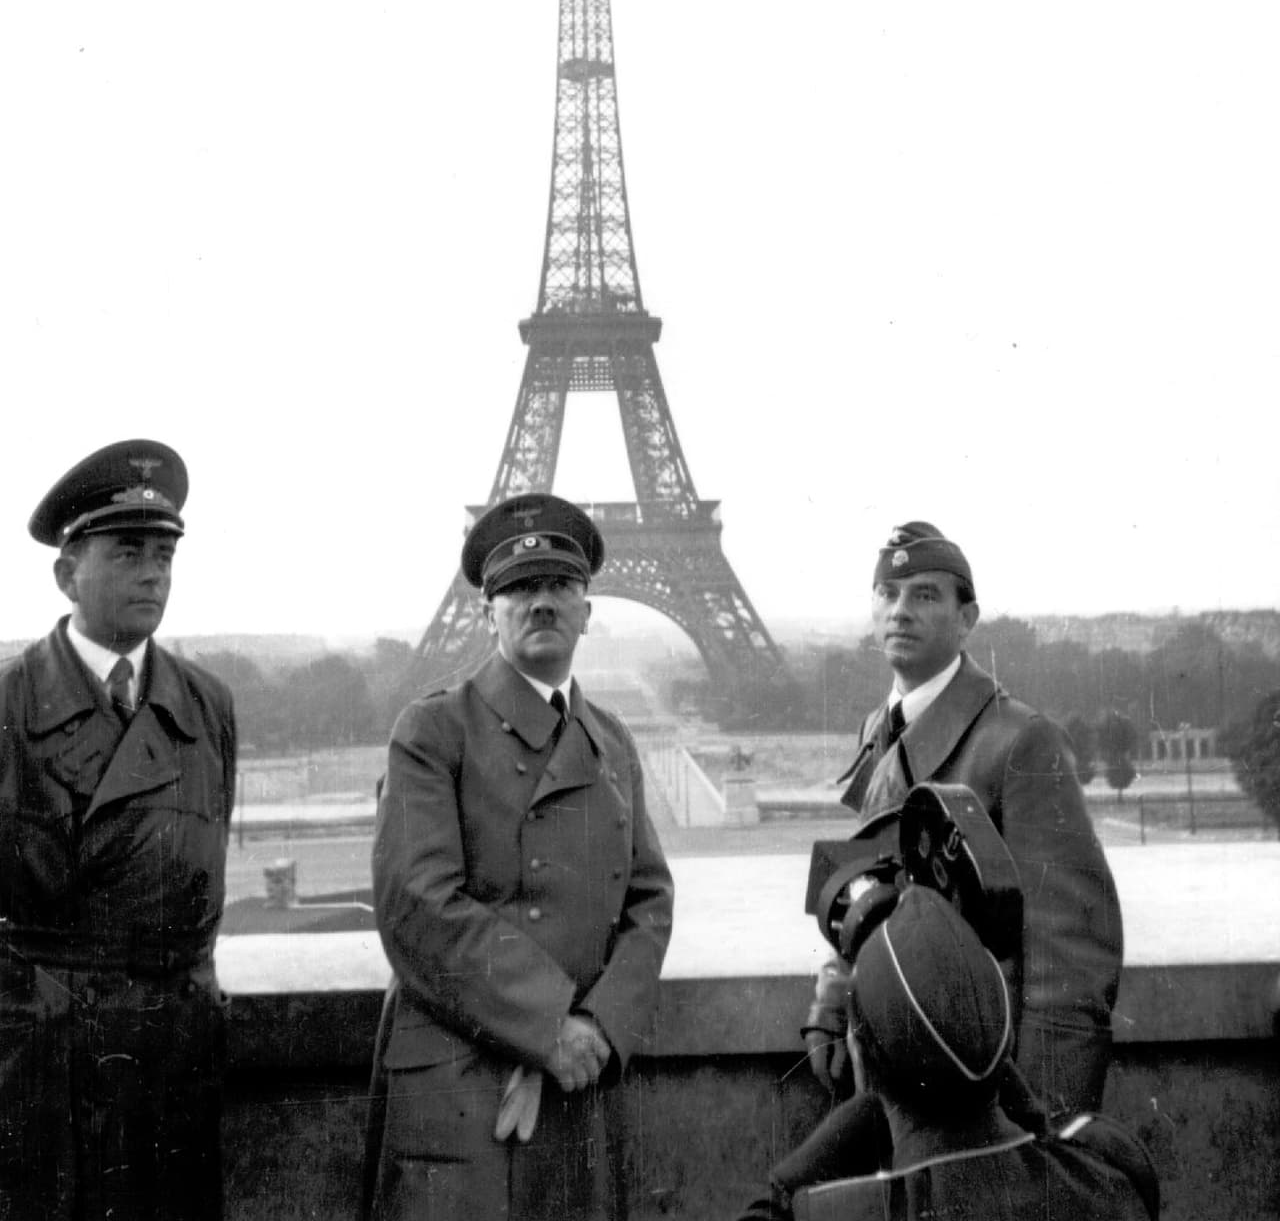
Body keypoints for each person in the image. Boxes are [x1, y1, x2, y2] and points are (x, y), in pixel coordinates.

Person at [365, 492, 675, 1221]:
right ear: (487, 610)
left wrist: (597, 1028)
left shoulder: (612, 738)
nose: (543, 603)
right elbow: (415, 903)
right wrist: (548, 1026)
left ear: (587, 610)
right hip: (466, 1077)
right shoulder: (432, 730)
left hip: (578, 1075)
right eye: (520, 588)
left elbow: (650, 899)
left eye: (561, 586)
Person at [804, 522, 1121, 1118]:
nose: (900, 611)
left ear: (968, 617)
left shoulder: (1021, 741)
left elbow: (1070, 961)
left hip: (981, 1103)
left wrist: (1044, 1126)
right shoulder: (881, 728)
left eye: (925, 595)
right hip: (892, 1074)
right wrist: (830, 1001)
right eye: (888, 594)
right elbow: (867, 890)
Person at [0, 438, 237, 1221]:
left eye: (165, 554)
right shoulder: (7, 707)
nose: (153, 573)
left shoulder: (208, 706)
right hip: (49, 1071)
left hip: (174, 1062)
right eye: (128, 551)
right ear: (67, 573)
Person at [747, 888, 1157, 1221]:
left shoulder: (838, 1213)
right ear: (1004, 1042)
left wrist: (787, 1188)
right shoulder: (1114, 1171)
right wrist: (980, 1055)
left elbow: (769, 1210)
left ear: (863, 1061)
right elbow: (1050, 1140)